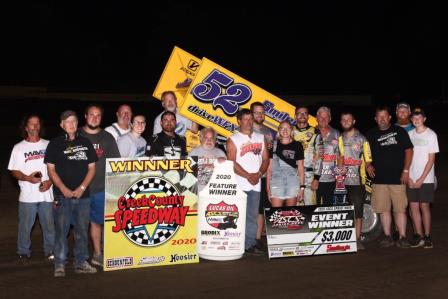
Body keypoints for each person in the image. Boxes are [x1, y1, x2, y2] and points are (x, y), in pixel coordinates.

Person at [45, 110, 98, 277]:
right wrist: (63, 189)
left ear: (77, 124)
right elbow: (51, 170)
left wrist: (81, 188)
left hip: (84, 196)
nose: (71, 124)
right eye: (67, 121)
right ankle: (59, 264)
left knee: (82, 230)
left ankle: (81, 262)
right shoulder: (54, 143)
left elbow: (92, 168)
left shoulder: (86, 142)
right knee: (61, 230)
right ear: (62, 125)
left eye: (74, 121)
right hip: (62, 196)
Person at [8, 114, 55, 262]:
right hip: (27, 196)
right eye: (31, 124)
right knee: (25, 227)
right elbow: (13, 171)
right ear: (26, 127)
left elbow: (57, 169)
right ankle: (23, 251)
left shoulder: (49, 145)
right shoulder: (19, 148)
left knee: (49, 226)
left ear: (40, 127)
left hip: (47, 195)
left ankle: (51, 251)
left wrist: (50, 182)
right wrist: (28, 178)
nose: (35, 126)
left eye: (37, 124)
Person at [366, 106, 413, 248]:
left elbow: (409, 151)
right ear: (375, 119)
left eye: (384, 116)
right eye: (379, 116)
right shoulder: (370, 134)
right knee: (384, 209)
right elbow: (365, 153)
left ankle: (402, 236)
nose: (382, 119)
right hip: (379, 179)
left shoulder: (399, 131)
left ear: (389, 117)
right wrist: (368, 165)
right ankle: (387, 236)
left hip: (398, 178)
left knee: (400, 209)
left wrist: (405, 170)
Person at [80, 104, 120, 267]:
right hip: (79, 190)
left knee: (97, 222)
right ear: (85, 116)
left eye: (98, 115)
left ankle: (97, 254)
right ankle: (81, 255)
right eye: (91, 115)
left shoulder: (107, 137)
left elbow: (116, 164)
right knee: (79, 224)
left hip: (100, 189)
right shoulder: (76, 135)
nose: (94, 118)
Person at [227, 109, 269, 255]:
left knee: (252, 215)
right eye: (245, 119)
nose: (248, 122)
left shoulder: (260, 137)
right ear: (239, 121)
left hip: (256, 182)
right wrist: (248, 176)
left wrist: (258, 174)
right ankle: (235, 244)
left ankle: (250, 244)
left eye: (250, 119)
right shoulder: (233, 139)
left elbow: (265, 159)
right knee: (236, 216)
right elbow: (231, 162)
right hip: (239, 183)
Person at [338, 112, 373, 250]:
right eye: (343, 120)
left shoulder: (362, 139)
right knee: (345, 210)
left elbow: (368, 159)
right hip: (342, 180)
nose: (346, 121)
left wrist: (369, 166)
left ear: (354, 121)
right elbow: (339, 156)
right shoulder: (339, 138)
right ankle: (346, 238)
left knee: (358, 211)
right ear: (341, 122)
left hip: (358, 181)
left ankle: (357, 240)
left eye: (349, 119)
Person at [407, 108, 439, 248]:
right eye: (414, 117)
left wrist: (421, 179)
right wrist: (408, 175)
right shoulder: (409, 134)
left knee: (424, 205)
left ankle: (427, 236)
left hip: (425, 178)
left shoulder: (431, 135)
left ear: (424, 119)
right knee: (413, 206)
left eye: (419, 117)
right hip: (411, 177)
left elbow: (431, 160)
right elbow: (406, 156)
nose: (416, 120)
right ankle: (418, 236)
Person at [250, 102, 275, 249]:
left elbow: (271, 155)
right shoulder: (246, 129)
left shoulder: (269, 131)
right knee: (249, 209)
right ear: (251, 114)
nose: (259, 115)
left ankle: (258, 239)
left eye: (262, 112)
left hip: (264, 175)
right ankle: (248, 238)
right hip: (249, 176)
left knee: (261, 209)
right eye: (256, 112)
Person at [267, 120, 305, 207]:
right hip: (276, 181)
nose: (285, 130)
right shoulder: (273, 145)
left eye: (287, 128)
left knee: (290, 214)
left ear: (291, 130)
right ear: (279, 130)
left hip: (293, 181)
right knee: (276, 214)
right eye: (282, 128)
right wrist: (268, 189)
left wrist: (302, 188)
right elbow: (269, 169)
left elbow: (301, 168)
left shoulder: (298, 145)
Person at [313, 107, 340, 205]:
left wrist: (339, 176)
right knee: (312, 210)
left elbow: (339, 156)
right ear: (316, 118)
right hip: (312, 178)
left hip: (330, 179)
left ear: (330, 118)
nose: (323, 119)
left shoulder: (336, 133)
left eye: (326, 117)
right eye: (321, 117)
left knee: (327, 209)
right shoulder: (310, 132)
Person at [293, 106, 319, 205]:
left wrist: (316, 178)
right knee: (294, 210)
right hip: (293, 175)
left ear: (308, 116)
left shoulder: (315, 132)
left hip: (309, 176)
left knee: (310, 210)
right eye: (299, 113)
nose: (302, 115)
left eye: (305, 113)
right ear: (295, 116)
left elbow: (320, 157)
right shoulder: (289, 130)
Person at [189, 127, 226, 192]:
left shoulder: (221, 153)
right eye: (206, 138)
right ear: (201, 139)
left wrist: (223, 163)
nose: (209, 141)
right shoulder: (194, 152)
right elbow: (188, 173)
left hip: (216, 191)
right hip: (198, 191)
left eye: (211, 138)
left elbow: (226, 174)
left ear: (215, 140)